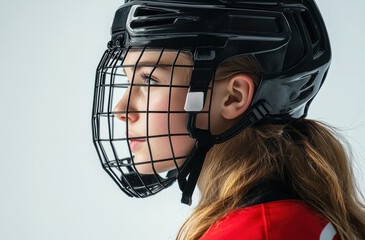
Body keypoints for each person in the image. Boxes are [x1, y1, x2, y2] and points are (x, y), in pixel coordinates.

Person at [91, 0, 365, 239]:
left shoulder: (257, 231)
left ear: (233, 97)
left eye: (150, 80)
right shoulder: (282, 219)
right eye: (128, 81)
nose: (122, 108)